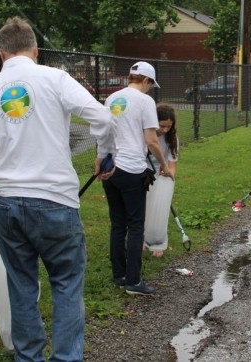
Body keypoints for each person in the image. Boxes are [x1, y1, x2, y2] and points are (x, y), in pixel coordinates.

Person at [0, 17, 115, 361]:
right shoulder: (56, 79)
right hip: (55, 202)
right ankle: (66, 357)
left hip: (8, 203)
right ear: (36, 50)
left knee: (21, 286)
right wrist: (105, 153)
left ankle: (29, 356)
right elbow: (105, 118)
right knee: (66, 283)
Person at [103, 61, 172, 296]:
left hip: (110, 168)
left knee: (117, 223)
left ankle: (119, 275)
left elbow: (105, 132)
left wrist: (102, 157)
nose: (149, 89)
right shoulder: (145, 101)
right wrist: (163, 165)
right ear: (145, 80)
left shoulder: (112, 99)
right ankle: (133, 281)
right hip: (132, 168)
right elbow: (151, 140)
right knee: (135, 226)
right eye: (150, 85)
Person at [144, 103, 179, 257]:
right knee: (142, 209)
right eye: (162, 126)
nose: (164, 130)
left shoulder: (172, 138)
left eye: (168, 127)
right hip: (141, 173)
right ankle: (141, 239)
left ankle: (157, 241)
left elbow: (172, 166)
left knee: (159, 209)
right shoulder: (144, 133)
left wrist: (168, 174)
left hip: (160, 174)